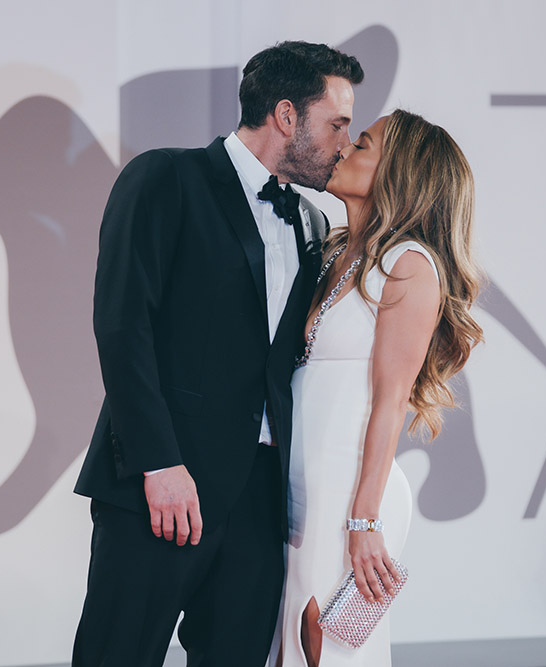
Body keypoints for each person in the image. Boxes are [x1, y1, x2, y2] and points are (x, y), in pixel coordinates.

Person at [72, 42, 364, 666]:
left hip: (260, 502)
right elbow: (123, 326)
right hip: (162, 486)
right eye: (337, 123)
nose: (346, 140)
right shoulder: (165, 177)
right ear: (287, 115)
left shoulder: (312, 225)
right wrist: (158, 463)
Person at [277, 109, 484, 666]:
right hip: (305, 487)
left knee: (326, 648)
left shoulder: (408, 265)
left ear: (399, 174)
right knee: (291, 643)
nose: (344, 148)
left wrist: (364, 519)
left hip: (353, 493)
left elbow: (390, 399)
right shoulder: (335, 254)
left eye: (363, 143)